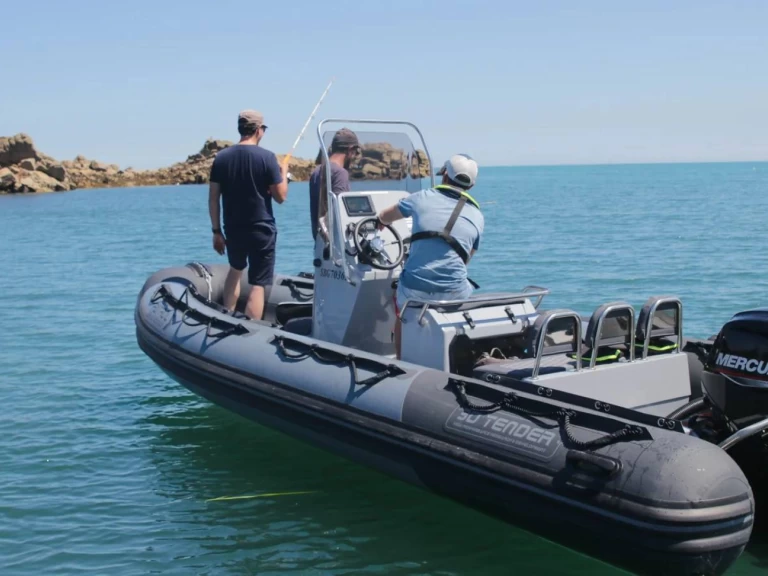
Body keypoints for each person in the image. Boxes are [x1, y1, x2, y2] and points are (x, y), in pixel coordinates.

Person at [375, 153, 484, 358]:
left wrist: (379, 221)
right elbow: (467, 257)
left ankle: (402, 362)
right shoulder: (477, 215)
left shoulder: (422, 197)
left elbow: (385, 215)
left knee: (401, 309)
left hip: (416, 286)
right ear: (471, 186)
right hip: (455, 291)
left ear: (444, 176)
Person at [208, 109, 289, 320]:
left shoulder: (222, 158)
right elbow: (281, 197)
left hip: (233, 228)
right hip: (262, 229)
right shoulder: (268, 158)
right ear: (258, 130)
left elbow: (213, 198)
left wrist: (216, 231)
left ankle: (226, 319)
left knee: (234, 271)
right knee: (257, 285)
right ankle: (250, 329)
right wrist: (283, 174)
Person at [308, 128, 360, 242]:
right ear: (350, 150)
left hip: (320, 243)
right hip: (335, 245)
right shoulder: (340, 174)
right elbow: (340, 212)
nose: (355, 157)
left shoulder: (316, 172)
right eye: (356, 152)